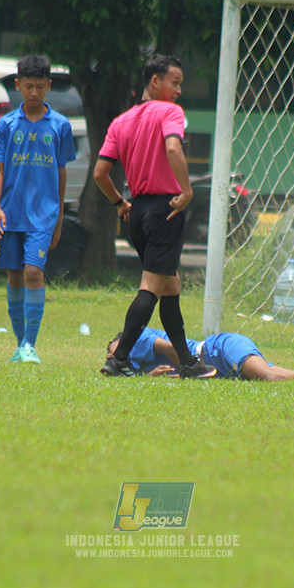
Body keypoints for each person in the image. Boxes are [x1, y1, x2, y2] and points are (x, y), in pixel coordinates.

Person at [93, 54, 214, 379]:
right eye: (174, 83)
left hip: (138, 211)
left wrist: (120, 203)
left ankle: (187, 362)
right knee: (151, 286)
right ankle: (119, 358)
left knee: (170, 285)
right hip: (166, 210)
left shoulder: (121, 121)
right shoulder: (170, 112)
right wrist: (186, 191)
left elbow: (100, 172)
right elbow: (173, 148)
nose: (178, 91)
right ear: (155, 81)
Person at [0, 54, 75, 363]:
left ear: (49, 87)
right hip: (11, 213)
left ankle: (30, 345)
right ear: (18, 85)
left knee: (33, 272)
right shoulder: (6, 124)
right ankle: (20, 344)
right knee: (14, 276)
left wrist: (59, 218)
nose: (34, 93)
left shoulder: (60, 126)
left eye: (40, 87)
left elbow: (61, 172)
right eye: (29, 87)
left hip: (43, 215)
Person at [104, 327, 294, 384]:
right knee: (286, 376)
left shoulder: (135, 339)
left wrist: (190, 371)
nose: (109, 357)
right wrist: (149, 376)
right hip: (222, 369)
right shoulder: (135, 365)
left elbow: (171, 350)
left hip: (218, 350)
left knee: (270, 376)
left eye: (109, 351)